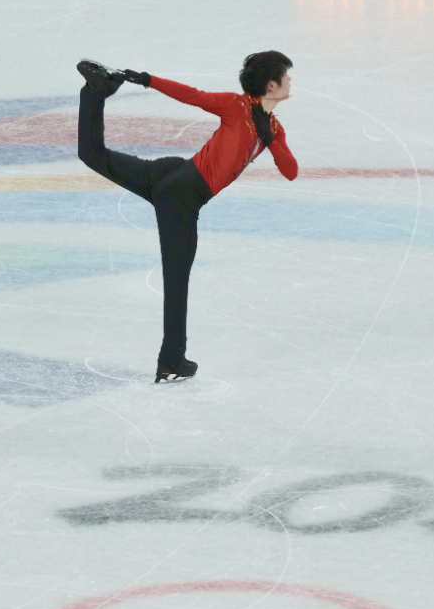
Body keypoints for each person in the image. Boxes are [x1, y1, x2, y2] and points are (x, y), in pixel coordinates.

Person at [76, 52, 298, 383]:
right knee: (177, 281)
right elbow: (193, 96)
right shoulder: (236, 106)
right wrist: (148, 80)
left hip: (169, 174)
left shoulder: (274, 128)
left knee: (91, 154)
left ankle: (94, 92)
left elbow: (290, 171)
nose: (291, 81)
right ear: (271, 84)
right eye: (287, 76)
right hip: (182, 196)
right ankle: (172, 361)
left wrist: (268, 137)